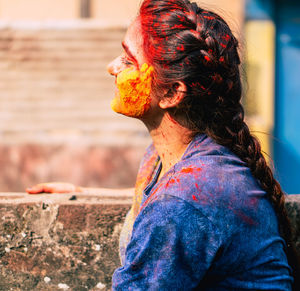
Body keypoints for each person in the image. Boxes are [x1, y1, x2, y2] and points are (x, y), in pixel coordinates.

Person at [27, 0, 300, 290]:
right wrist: (85, 193)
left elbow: (176, 207)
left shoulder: (184, 199)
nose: (112, 67)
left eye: (128, 60)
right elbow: (163, 197)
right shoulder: (176, 158)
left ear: (172, 93)